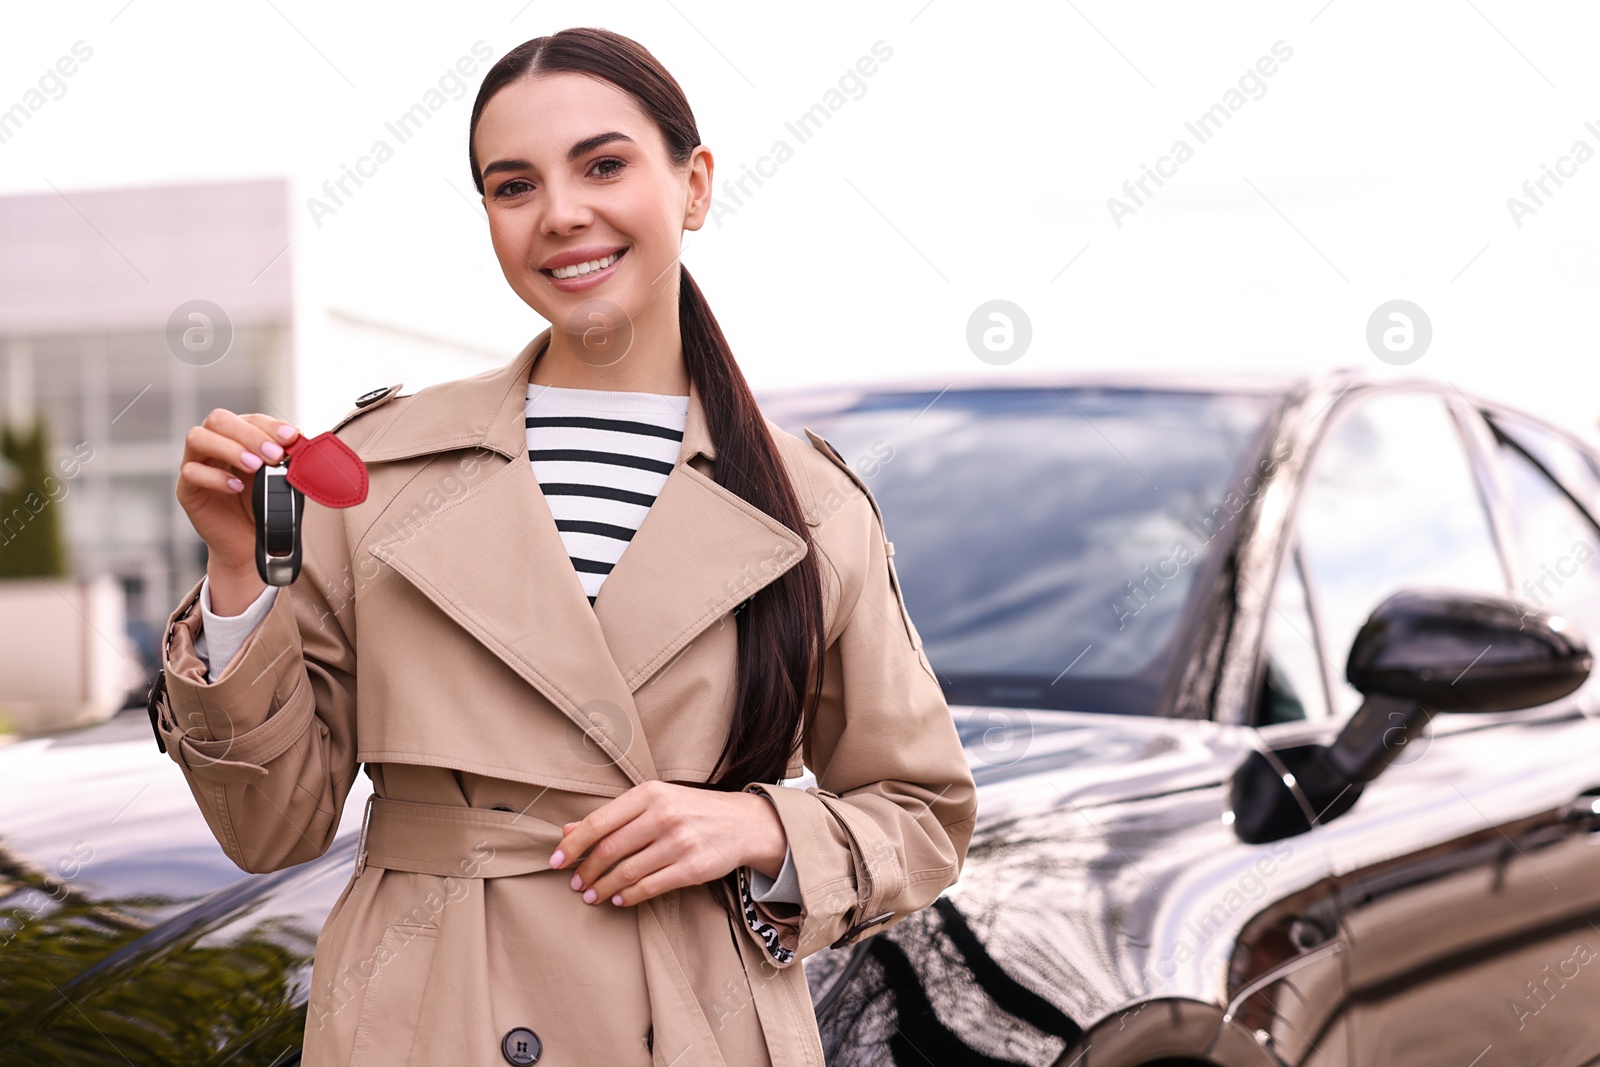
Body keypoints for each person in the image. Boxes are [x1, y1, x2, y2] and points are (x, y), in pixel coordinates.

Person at [154, 26, 976, 1066]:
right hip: (425, 1017)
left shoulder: (810, 504)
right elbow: (270, 829)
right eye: (513, 185)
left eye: (603, 164)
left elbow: (923, 811)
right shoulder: (371, 472)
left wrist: (761, 828)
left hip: (695, 1023)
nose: (561, 214)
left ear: (693, 185)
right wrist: (238, 572)